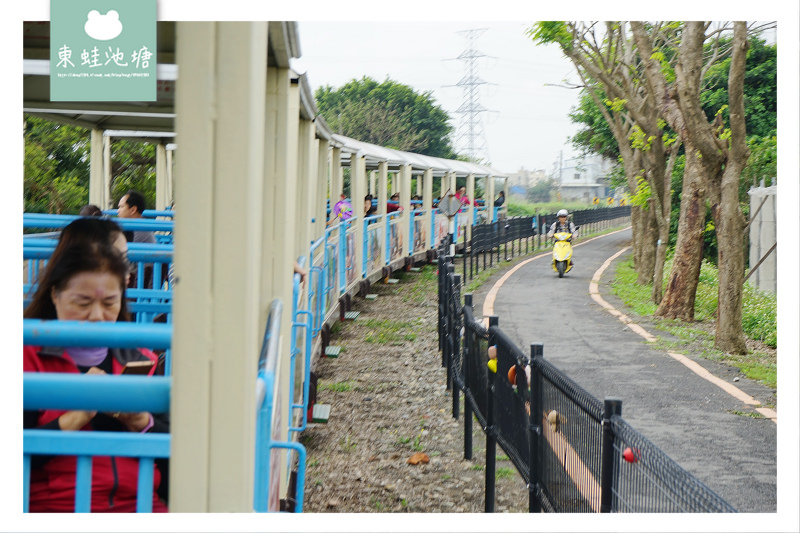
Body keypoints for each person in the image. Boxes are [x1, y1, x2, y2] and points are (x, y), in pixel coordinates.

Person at [23, 238, 169, 513]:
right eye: (83, 302)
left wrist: (141, 421)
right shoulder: (26, 358)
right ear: (55, 296)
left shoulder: (142, 360)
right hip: (54, 509)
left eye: (110, 303)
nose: (97, 316)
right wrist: (75, 417)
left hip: (140, 508)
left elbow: (180, 470)